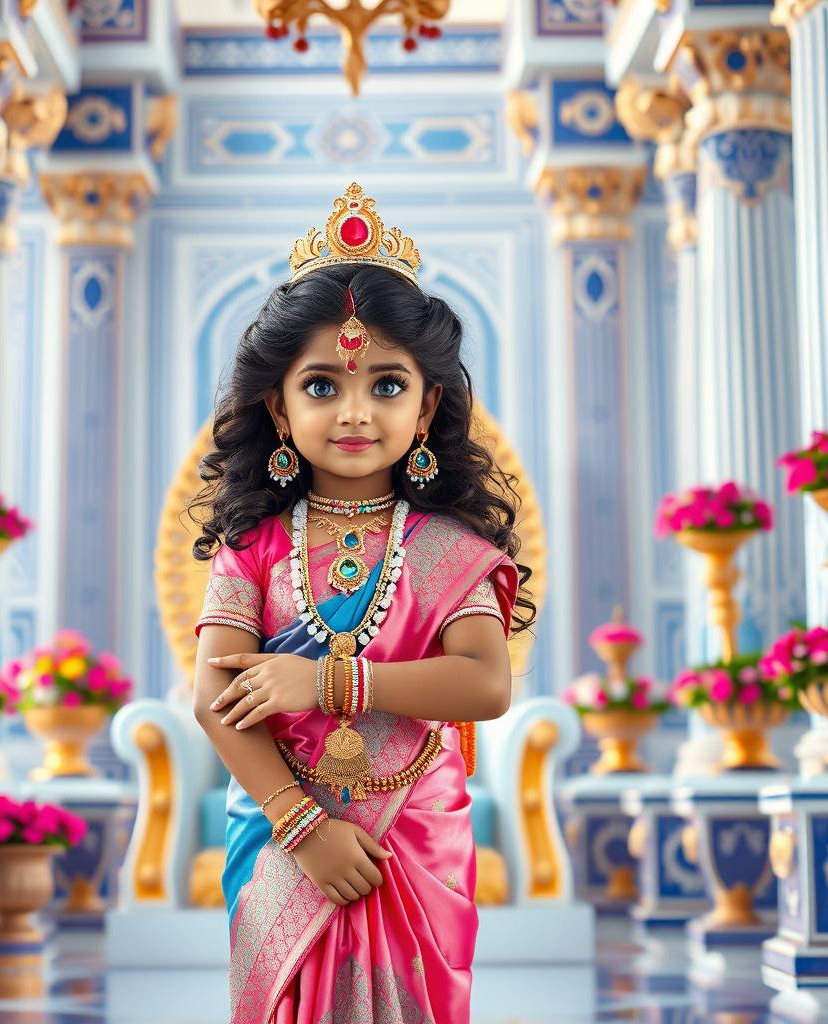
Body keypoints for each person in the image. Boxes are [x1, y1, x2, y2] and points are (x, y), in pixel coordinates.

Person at [189, 182, 535, 1024]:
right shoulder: (256, 546)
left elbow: (485, 685)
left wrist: (330, 685)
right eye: (320, 387)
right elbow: (213, 700)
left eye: (386, 386)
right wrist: (303, 828)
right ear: (277, 406)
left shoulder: (449, 546)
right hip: (283, 834)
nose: (353, 412)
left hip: (412, 833)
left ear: (428, 408)